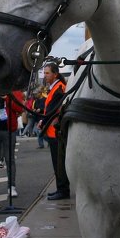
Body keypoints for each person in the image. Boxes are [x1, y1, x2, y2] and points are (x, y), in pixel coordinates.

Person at [42, 61, 69, 200]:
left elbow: (52, 109)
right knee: (57, 162)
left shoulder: (58, 88)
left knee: (59, 162)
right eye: (44, 73)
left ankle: (63, 190)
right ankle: (61, 188)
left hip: (55, 131)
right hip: (53, 131)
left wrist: (43, 121)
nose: (45, 75)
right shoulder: (55, 87)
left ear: (55, 74)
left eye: (47, 73)